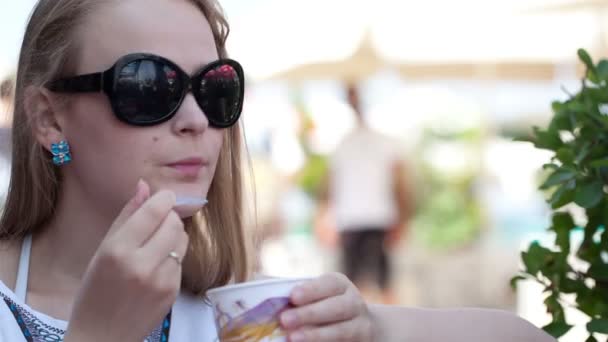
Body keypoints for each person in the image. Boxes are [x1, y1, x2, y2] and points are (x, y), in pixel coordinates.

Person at [0, 0, 554, 341]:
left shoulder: (243, 314)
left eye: (215, 88)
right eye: (148, 85)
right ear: (49, 118)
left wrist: (374, 328)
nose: (196, 120)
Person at [316, 84, 412, 304]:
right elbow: (400, 184)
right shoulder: (355, 141)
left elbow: (329, 185)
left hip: (362, 218)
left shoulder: (345, 142)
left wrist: (324, 217)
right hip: (368, 218)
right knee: (374, 284)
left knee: (364, 285)